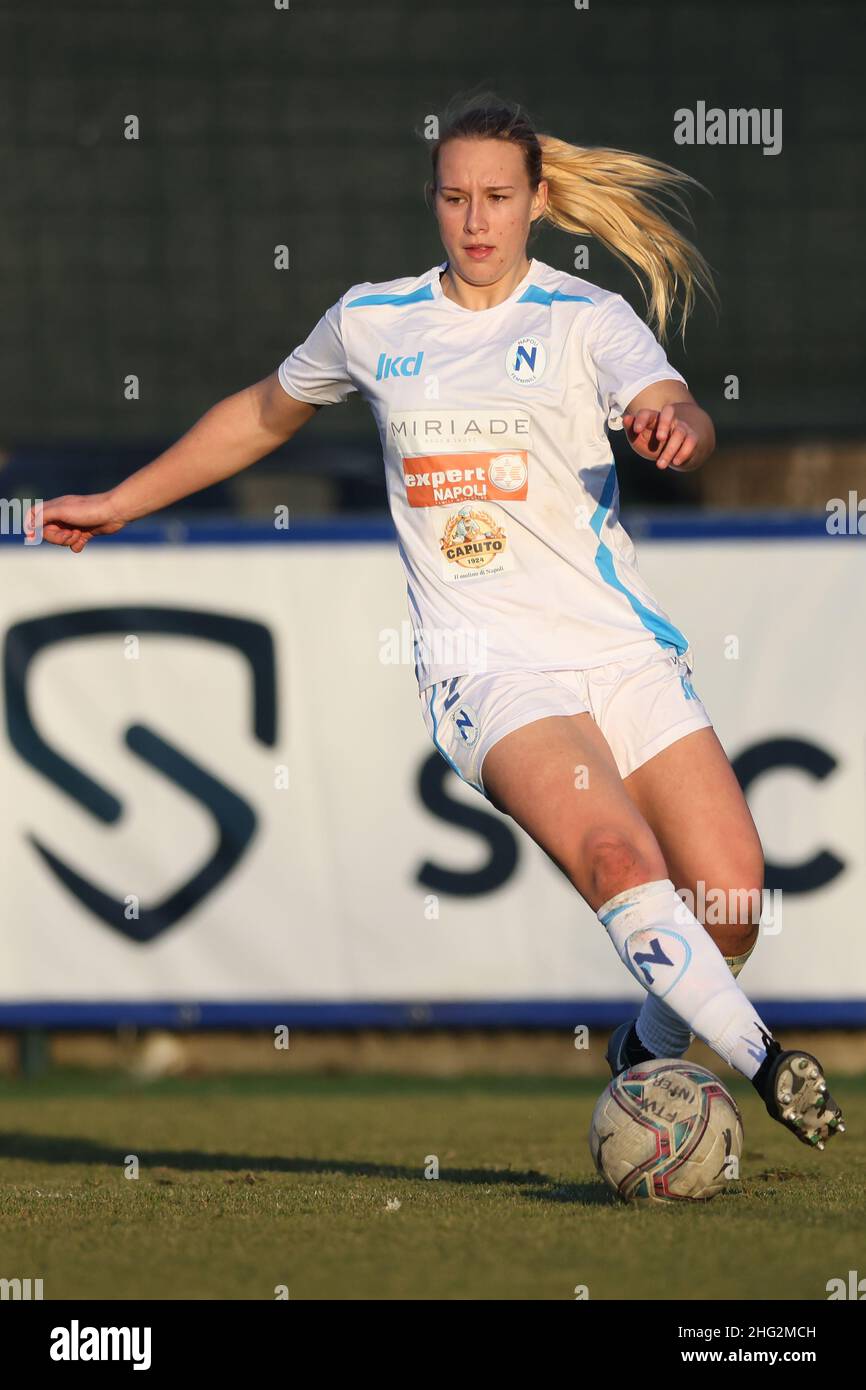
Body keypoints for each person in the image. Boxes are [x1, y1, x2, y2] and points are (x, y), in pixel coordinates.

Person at [26, 93, 843, 1149]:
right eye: (454, 196)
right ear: (432, 201)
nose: (475, 220)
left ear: (538, 201)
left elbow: (675, 399)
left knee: (728, 897)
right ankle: (768, 1064)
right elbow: (262, 412)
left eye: (497, 197)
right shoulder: (373, 321)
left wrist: (674, 424)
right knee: (611, 853)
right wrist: (122, 501)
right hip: (486, 667)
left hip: (617, 650)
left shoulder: (584, 319)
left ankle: (648, 1051)